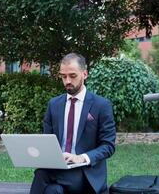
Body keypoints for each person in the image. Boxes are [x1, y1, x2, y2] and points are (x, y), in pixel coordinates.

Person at [30, 53, 116, 194]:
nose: (67, 81)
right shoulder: (54, 105)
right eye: (63, 76)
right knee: (53, 189)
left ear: (85, 74)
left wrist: (81, 158)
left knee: (42, 175)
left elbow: (108, 146)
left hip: (85, 170)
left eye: (72, 76)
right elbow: (47, 141)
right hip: (58, 167)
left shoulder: (101, 105)